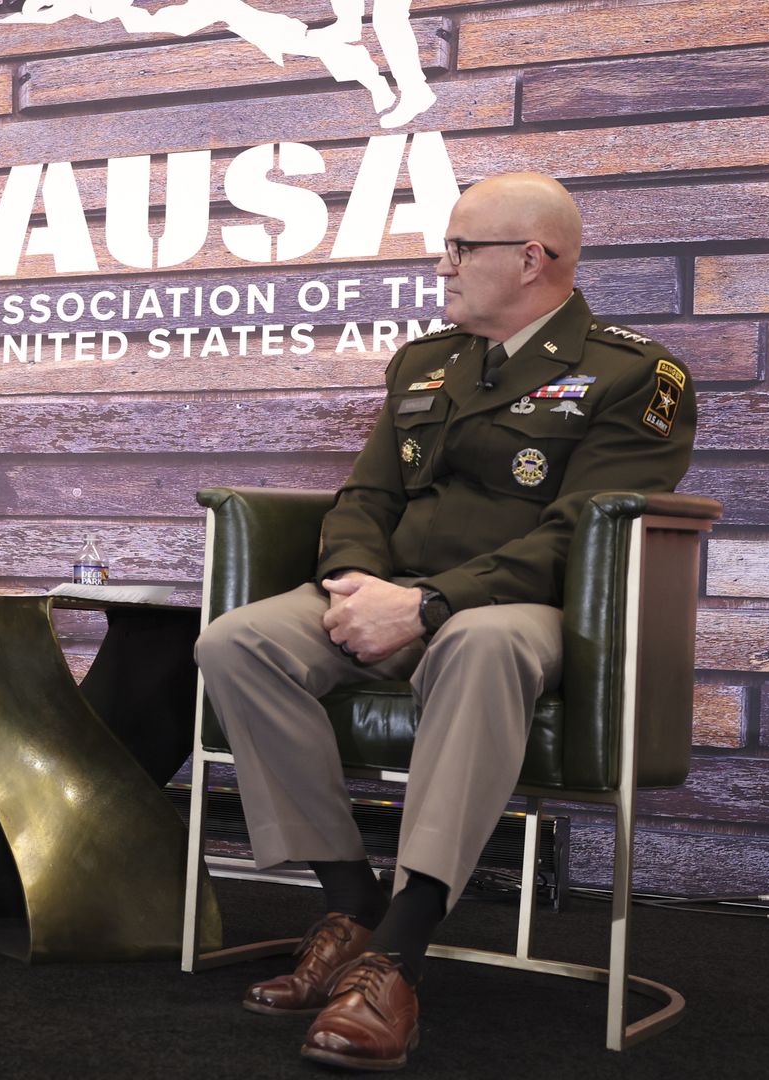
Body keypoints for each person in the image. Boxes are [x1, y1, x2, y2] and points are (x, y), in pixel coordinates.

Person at [194, 173, 695, 1070]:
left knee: (478, 640)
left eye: (463, 247)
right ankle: (349, 909)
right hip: (397, 593)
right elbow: (367, 496)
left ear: (533, 259)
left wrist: (427, 604)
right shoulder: (425, 361)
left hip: (528, 613)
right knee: (237, 640)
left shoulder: (634, 376)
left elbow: (577, 533)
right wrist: (353, 582)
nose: (443, 263)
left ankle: (400, 951)